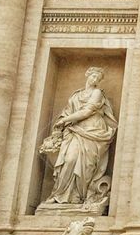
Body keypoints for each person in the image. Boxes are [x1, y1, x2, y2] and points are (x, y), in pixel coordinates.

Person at [42, 66, 118, 208]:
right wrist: (63, 121)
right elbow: (67, 112)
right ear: (87, 75)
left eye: (98, 78)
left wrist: (65, 120)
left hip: (93, 130)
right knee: (69, 160)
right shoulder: (76, 95)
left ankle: (78, 196)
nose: (95, 80)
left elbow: (87, 111)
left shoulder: (97, 93)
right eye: (93, 76)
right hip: (75, 130)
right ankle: (59, 194)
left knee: (87, 165)